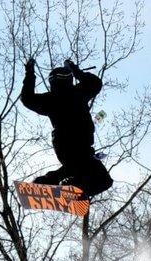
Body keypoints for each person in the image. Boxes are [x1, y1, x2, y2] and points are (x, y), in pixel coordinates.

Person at [20, 58, 113, 197]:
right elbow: (96, 83)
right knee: (101, 179)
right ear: (69, 79)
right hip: (77, 144)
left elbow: (27, 98)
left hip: (69, 145)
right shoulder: (79, 93)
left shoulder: (50, 99)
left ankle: (67, 186)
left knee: (94, 176)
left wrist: (30, 73)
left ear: (52, 82)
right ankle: (65, 184)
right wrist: (75, 69)